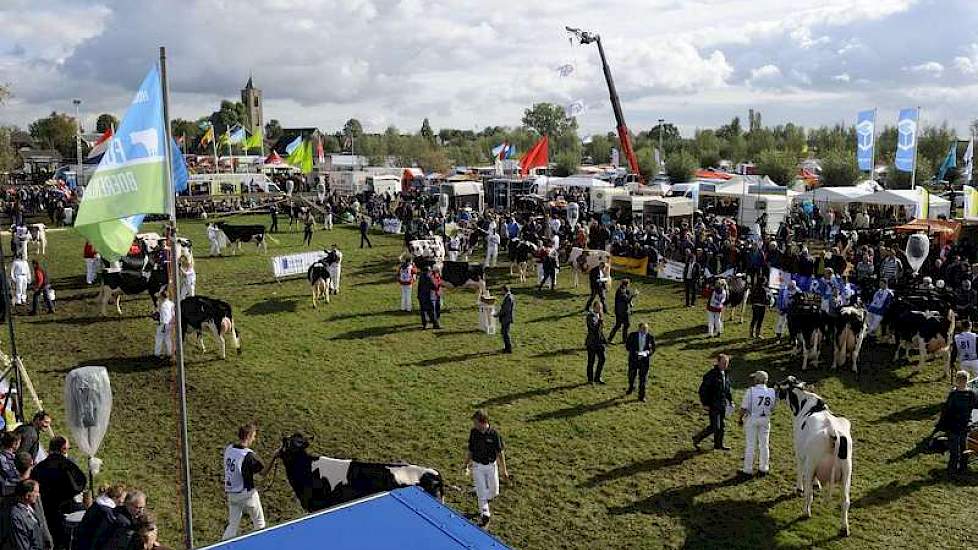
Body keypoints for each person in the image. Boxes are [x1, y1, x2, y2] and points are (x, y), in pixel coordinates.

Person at [30, 437, 86, 549]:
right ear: (63, 449)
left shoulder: (39, 467)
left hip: (45, 507)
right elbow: (80, 483)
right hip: (64, 508)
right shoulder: (67, 465)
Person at [463, 410, 509, 528]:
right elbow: (471, 449)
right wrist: (466, 463)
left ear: (483, 422)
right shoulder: (474, 432)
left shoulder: (494, 434)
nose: (474, 425)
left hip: (491, 466)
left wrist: (504, 470)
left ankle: (482, 496)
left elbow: (500, 453)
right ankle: (485, 514)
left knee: (494, 491)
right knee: (482, 492)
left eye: (476, 423)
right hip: (477, 466)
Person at [222, 423, 265, 540]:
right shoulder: (249, 455)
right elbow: (263, 472)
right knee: (260, 524)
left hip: (232, 494)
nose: (254, 439)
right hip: (247, 495)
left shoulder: (229, 448)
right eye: (254, 436)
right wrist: (274, 457)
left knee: (232, 526)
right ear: (248, 436)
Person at [934, 370, 978, 477]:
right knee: (955, 451)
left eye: (964, 380)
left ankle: (962, 469)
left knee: (964, 450)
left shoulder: (971, 394)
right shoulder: (953, 394)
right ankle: (952, 472)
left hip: (965, 426)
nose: (962, 382)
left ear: (966, 381)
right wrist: (941, 425)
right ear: (957, 380)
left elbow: (976, 405)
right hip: (953, 426)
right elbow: (946, 410)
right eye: (960, 380)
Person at [738, 370, 776, 476]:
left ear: (757, 380)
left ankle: (748, 469)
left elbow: (744, 408)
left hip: (752, 418)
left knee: (750, 445)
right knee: (764, 445)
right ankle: (764, 467)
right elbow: (772, 407)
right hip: (765, 419)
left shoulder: (751, 391)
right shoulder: (772, 392)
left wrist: (740, 418)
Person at [693, 354, 733, 451]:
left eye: (727, 363)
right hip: (713, 404)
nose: (725, 365)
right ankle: (697, 438)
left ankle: (718, 444)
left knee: (721, 426)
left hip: (722, 404)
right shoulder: (711, 375)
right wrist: (705, 403)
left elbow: (726, 389)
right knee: (715, 426)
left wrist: (730, 400)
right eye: (723, 363)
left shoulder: (725, 374)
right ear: (718, 362)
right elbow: (703, 390)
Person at [72, 483, 127, 550]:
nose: (124, 501)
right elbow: (98, 535)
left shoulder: (98, 504)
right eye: (123, 498)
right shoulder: (106, 512)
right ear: (115, 498)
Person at [7, 480, 45, 550]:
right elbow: (22, 545)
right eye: (36, 492)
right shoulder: (16, 516)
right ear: (27, 495)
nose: (38, 495)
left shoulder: (29, 507)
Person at [625, 322, 655, 402]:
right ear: (639, 329)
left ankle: (641, 396)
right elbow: (627, 347)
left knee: (643, 379)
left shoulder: (650, 337)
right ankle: (631, 387)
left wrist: (647, 353)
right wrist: (635, 352)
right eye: (643, 328)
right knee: (631, 376)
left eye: (646, 329)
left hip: (644, 361)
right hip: (633, 359)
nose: (645, 330)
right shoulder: (632, 335)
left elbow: (653, 349)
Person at [585, 302, 608, 384]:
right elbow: (593, 329)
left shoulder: (600, 315)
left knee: (602, 359)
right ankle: (590, 379)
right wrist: (599, 322)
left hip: (599, 342)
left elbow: (600, 330)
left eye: (600, 308)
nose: (599, 309)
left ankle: (597, 377)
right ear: (594, 307)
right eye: (598, 308)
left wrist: (604, 340)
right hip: (592, 342)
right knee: (591, 361)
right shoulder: (590, 316)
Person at [607, 279, 636, 344]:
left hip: (622, 311)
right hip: (621, 312)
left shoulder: (625, 289)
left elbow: (628, 297)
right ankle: (611, 339)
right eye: (628, 284)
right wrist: (633, 295)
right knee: (620, 325)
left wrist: (631, 302)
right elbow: (627, 299)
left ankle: (623, 339)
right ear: (626, 284)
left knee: (625, 325)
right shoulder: (621, 291)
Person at [153, 290, 174, 358]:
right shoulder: (171, 304)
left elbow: (162, 315)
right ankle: (169, 353)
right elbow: (173, 315)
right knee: (168, 339)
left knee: (159, 339)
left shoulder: (162, 305)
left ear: (162, 297)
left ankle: (157, 353)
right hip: (170, 324)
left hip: (163, 324)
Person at [0, 431, 22, 495]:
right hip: (7, 492)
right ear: (14, 444)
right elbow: (11, 477)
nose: (20, 445)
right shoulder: (3, 458)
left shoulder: (12, 456)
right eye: (19, 443)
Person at [496, 285, 514, 354]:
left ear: (504, 290)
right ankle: (506, 348)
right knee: (504, 333)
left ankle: (508, 349)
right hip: (506, 318)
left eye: (502, 290)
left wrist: (497, 314)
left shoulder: (509, 298)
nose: (501, 291)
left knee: (505, 333)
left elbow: (505, 310)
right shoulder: (509, 296)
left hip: (506, 318)